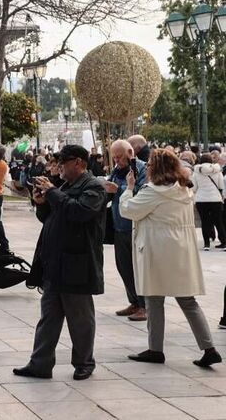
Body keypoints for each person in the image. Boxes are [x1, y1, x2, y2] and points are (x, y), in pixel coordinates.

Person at [120, 148, 222, 367]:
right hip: (181, 250)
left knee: (154, 298)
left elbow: (128, 210)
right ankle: (209, 347)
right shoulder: (184, 190)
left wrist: (128, 189)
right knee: (187, 300)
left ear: (156, 168)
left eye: (148, 165)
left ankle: (155, 349)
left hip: (157, 250)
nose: (146, 168)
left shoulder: (153, 192)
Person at [14, 145, 106, 381]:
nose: (59, 167)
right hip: (55, 264)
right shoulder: (65, 187)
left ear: (79, 163)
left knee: (80, 319)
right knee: (49, 318)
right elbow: (49, 218)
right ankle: (40, 364)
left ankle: (84, 363)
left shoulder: (92, 187)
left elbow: (79, 212)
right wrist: (42, 203)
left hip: (77, 264)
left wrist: (53, 193)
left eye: (63, 163)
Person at [104, 140, 148, 322]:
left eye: (120, 156)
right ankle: (134, 302)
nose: (117, 160)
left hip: (135, 225)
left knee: (138, 269)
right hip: (119, 225)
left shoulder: (142, 169)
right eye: (114, 157)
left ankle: (144, 306)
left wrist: (119, 188)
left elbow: (143, 192)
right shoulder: (116, 170)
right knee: (124, 267)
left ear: (130, 152)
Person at [191, 153, 226, 251]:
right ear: (211, 160)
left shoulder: (196, 172)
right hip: (215, 199)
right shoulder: (217, 171)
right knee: (219, 221)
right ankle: (224, 242)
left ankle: (206, 244)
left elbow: (194, 187)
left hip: (201, 199)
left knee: (205, 221)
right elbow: (220, 186)